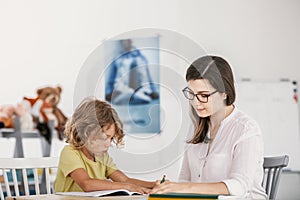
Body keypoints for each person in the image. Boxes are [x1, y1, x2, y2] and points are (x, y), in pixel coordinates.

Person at [151, 55, 267, 199]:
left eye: (204, 95)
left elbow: (239, 186)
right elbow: (185, 179)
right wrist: (170, 188)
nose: (196, 103)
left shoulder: (246, 129)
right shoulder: (195, 127)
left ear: (225, 92)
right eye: (191, 94)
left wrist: (185, 187)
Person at [54, 97, 155, 193]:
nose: (108, 144)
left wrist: (155, 184)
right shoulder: (70, 153)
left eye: (111, 138)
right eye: (105, 137)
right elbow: (86, 184)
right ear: (87, 132)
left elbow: (125, 180)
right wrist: (126, 187)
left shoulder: (102, 157)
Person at [105, 39, 159, 105]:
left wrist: (153, 90)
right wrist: (109, 92)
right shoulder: (118, 59)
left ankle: (137, 95)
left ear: (130, 41)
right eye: (122, 41)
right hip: (124, 90)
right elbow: (112, 77)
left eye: (126, 40)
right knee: (125, 93)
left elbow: (147, 77)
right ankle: (130, 96)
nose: (124, 43)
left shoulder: (141, 58)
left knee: (143, 95)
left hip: (140, 89)